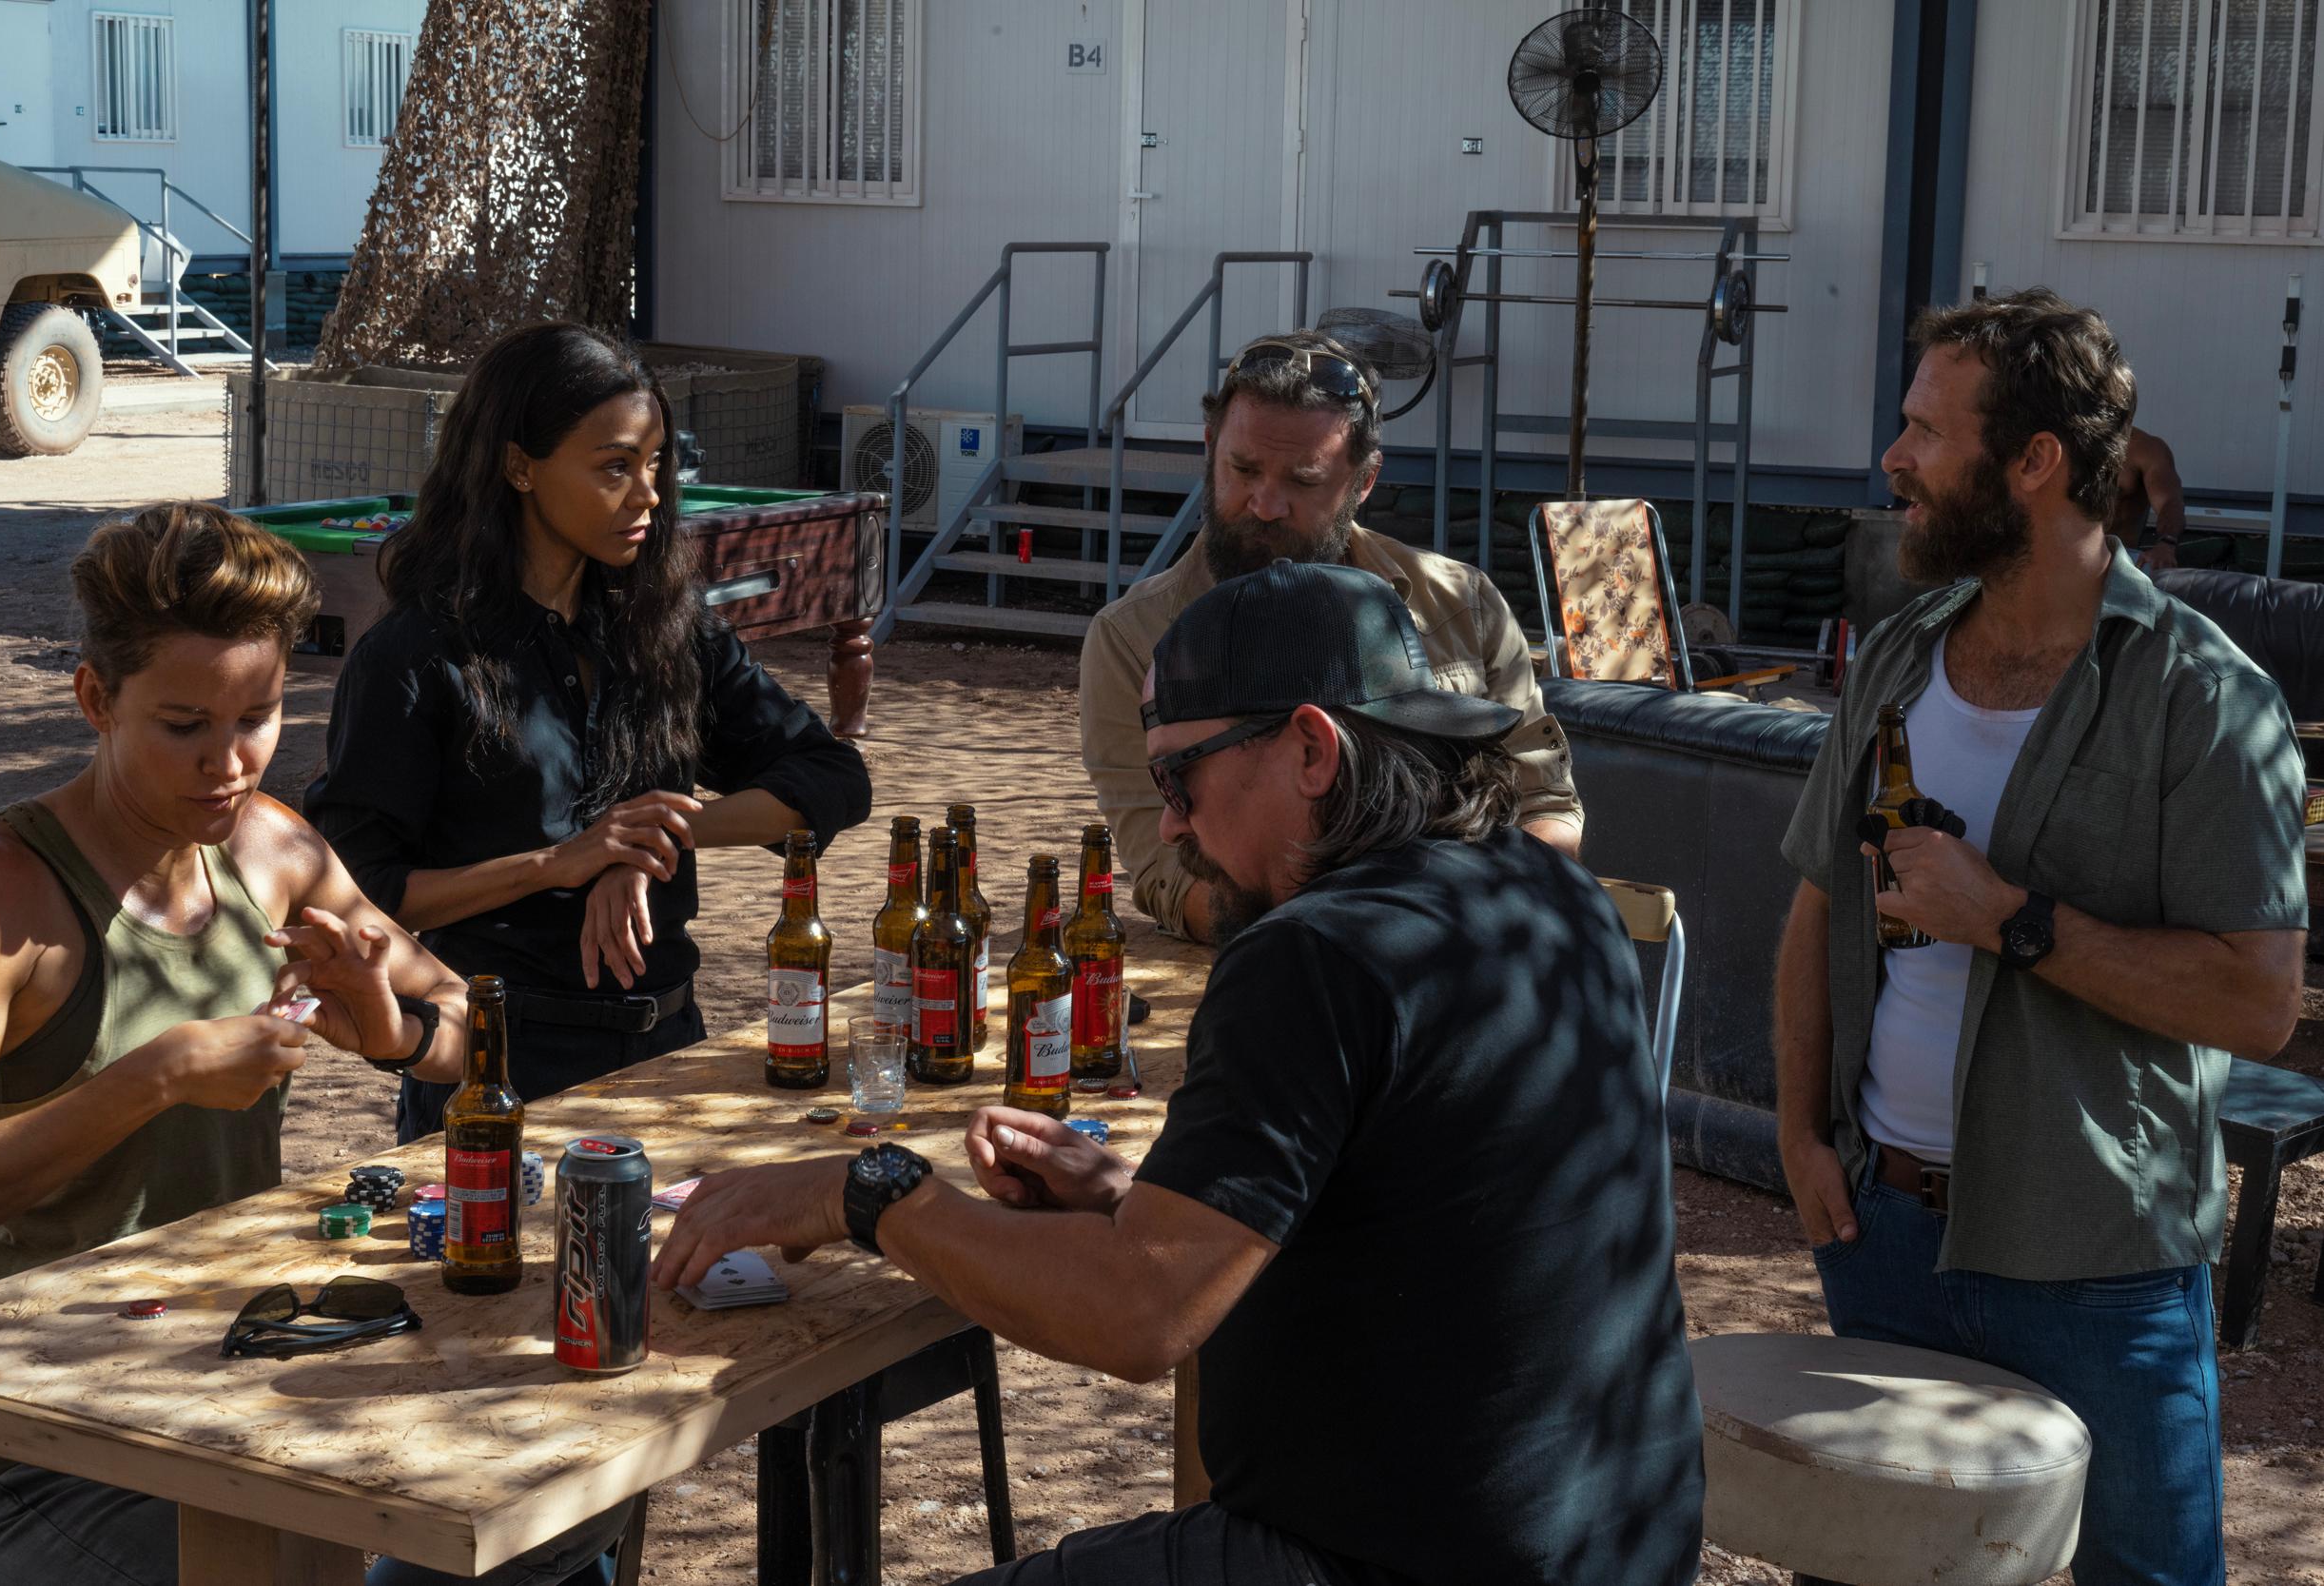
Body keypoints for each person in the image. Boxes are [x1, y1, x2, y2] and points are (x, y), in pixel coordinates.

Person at [655, 560, 1704, 1585]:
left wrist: (870, 1191)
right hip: (1610, 1537)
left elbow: (1137, 1318)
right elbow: (1415, 1211)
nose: (1168, 821)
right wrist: (1143, 1204)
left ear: (1308, 747)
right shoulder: (1546, 889)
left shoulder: (1315, 953)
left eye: (1180, 775)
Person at [1775, 289, 2307, 1586]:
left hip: (2099, 1258)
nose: (1893, 458)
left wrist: (2009, 918)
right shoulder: (1899, 655)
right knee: (1873, 1569)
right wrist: (1799, 1134)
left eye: (1922, 429)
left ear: (2034, 462)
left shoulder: (2205, 698)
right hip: (1882, 1228)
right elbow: (1814, 907)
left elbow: (2257, 1002)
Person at [0, 502, 540, 1583]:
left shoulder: (270, 849)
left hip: (216, 1399)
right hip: (18, 1452)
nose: (229, 761)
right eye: (183, 724)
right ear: (95, 699)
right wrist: (157, 1076)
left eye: (258, 716)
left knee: (540, 1502)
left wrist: (390, 1025)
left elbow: (469, 1025)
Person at [306, 323, 872, 1144]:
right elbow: (359, 890)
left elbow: (832, 776)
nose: (646, 493)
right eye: (614, 467)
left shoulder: (668, 630)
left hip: (674, 1053)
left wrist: (651, 838)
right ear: (519, 466)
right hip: (503, 1068)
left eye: (654, 465)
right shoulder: (417, 656)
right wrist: (555, 863)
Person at [1079, 328, 1584, 944]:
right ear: (1210, 448)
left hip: (1473, 950)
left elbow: (1546, 808)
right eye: (1242, 469)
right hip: (1270, 971)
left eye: (1304, 480)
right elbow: (1168, 874)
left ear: (1364, 481)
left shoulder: (1461, 604)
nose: (1265, 504)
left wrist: (1450, 933)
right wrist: (1350, 938)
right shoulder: (1129, 639)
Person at [2108, 424, 2187, 571]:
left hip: (2119, 563)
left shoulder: (2146, 449)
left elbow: (2170, 502)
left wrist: (2166, 543)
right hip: (2062, 559)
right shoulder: (2062, 447)